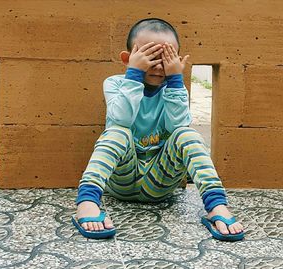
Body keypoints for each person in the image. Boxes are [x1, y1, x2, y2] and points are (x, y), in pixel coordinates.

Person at [71, 18, 244, 241]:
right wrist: (134, 73)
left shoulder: (174, 90)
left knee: (187, 133)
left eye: (166, 58)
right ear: (128, 59)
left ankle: (216, 207)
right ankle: (86, 203)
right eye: (150, 57)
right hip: (122, 179)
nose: (158, 66)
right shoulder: (114, 83)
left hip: (160, 183)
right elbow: (121, 118)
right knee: (118, 132)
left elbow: (177, 126)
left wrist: (175, 80)